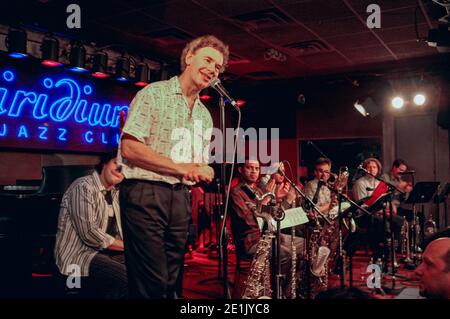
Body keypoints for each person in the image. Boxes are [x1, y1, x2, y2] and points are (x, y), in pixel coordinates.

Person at [118, 35, 228, 298]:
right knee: (151, 281)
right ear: (189, 58)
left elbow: (195, 163)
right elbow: (130, 148)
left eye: (218, 67)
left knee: (173, 279)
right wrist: (182, 168)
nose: (213, 69)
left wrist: (205, 169)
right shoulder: (154, 94)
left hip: (180, 197)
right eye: (208, 60)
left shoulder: (203, 113)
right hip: (145, 193)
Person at [54, 151, 127, 298]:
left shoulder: (115, 194)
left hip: (106, 254)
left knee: (146, 271)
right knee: (127, 280)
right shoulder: (83, 186)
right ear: (104, 164)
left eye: (125, 168)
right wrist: (128, 246)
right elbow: (89, 233)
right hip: (79, 256)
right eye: (116, 163)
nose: (120, 170)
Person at [229, 159, 304, 298]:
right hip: (250, 241)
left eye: (256, 168)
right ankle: (279, 293)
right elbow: (248, 221)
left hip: (266, 236)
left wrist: (278, 199)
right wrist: (264, 202)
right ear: (240, 170)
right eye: (249, 168)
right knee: (286, 254)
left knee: (302, 246)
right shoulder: (236, 192)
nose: (253, 171)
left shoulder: (257, 190)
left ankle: (292, 289)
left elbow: (272, 216)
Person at [352, 158, 404, 261]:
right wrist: (380, 211)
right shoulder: (360, 183)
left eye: (374, 167)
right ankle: (381, 252)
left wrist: (390, 205)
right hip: (364, 215)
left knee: (399, 220)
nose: (371, 169)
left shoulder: (380, 183)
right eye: (369, 167)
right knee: (380, 221)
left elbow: (383, 200)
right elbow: (363, 204)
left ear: (378, 169)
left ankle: (394, 249)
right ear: (365, 169)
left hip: (379, 212)